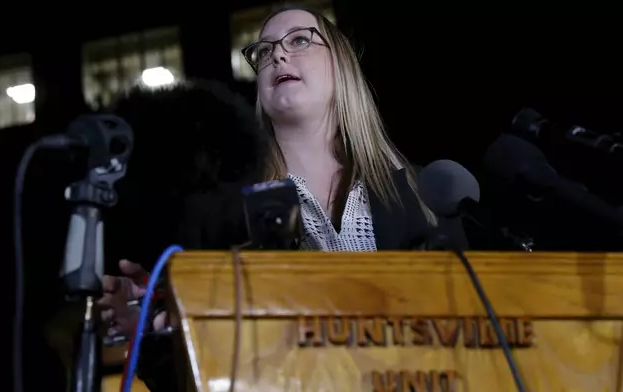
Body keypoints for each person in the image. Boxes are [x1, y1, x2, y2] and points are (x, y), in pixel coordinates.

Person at [99, 5, 467, 391]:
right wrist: (152, 327)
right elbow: (190, 377)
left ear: (340, 65)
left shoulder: (422, 192)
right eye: (263, 50)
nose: (277, 54)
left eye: (299, 40)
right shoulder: (223, 213)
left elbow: (470, 334)